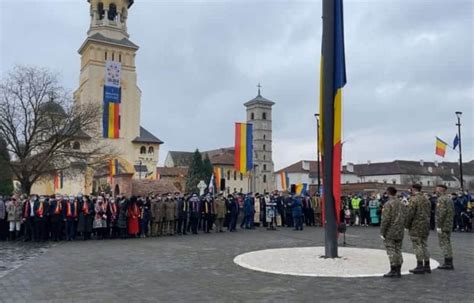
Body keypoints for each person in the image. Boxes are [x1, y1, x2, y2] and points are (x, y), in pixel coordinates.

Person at [405, 184, 431, 274]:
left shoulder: (414, 199)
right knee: (424, 245)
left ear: (413, 189)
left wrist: (406, 225)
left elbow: (410, 214)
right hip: (425, 225)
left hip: (416, 226)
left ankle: (420, 265)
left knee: (417, 245)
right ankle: (427, 265)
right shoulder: (426, 199)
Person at [380, 187, 405, 278]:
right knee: (398, 250)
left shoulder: (388, 204)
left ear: (388, 193)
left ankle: (393, 269)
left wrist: (382, 231)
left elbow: (386, 219)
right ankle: (398, 270)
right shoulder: (401, 203)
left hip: (390, 230)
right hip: (400, 230)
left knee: (391, 250)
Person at [435, 185, 455, 270]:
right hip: (448, 224)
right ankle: (449, 262)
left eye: (437, 190)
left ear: (440, 190)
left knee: (444, 243)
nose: (436, 191)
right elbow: (452, 212)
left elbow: (441, 214)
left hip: (443, 225)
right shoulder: (449, 199)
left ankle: (448, 263)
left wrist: (439, 225)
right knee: (448, 242)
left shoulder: (441, 199)